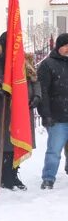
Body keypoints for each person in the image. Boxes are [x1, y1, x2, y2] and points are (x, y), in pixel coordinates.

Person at [0, 31, 39, 191]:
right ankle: (6, 176)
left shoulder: (25, 59)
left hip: (24, 106)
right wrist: (7, 90)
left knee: (20, 138)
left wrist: (36, 95)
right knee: (8, 142)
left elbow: (34, 79)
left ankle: (14, 174)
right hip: (7, 105)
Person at [38, 33, 68, 189]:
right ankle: (48, 178)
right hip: (57, 116)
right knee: (54, 150)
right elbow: (43, 92)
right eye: (65, 45)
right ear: (58, 46)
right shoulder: (48, 65)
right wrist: (46, 115)